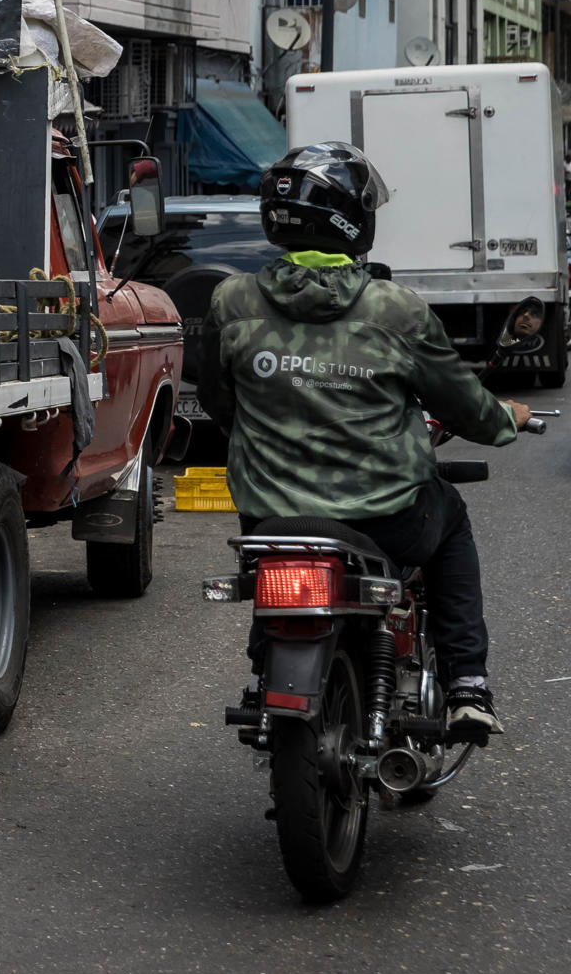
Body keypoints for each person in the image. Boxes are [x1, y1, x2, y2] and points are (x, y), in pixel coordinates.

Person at [198, 141, 526, 742]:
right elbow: (465, 407)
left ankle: (265, 655)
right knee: (450, 518)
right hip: (385, 518)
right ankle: (467, 685)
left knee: (271, 557)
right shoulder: (396, 311)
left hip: (272, 519)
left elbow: (222, 403)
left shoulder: (231, 302)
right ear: (355, 221)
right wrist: (509, 417)